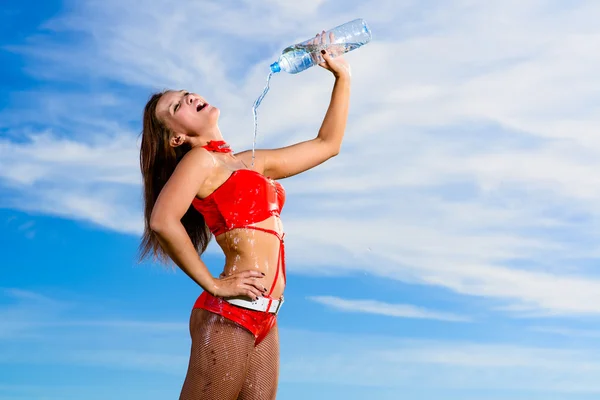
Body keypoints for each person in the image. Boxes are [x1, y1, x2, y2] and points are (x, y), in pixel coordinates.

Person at [138, 33, 351, 400]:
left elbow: (326, 145)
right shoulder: (200, 160)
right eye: (176, 108)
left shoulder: (253, 161)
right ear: (176, 138)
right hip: (230, 311)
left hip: (267, 314)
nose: (188, 97)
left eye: (185, 93)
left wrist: (341, 77)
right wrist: (214, 284)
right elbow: (162, 220)